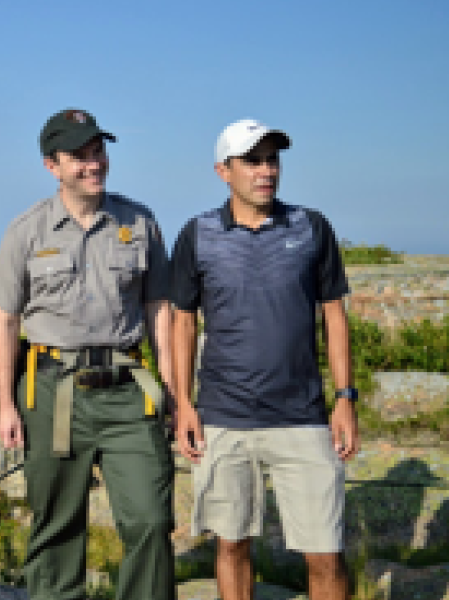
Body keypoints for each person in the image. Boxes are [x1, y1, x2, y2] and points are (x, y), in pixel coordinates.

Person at [0, 108, 177, 600]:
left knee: (151, 520)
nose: (94, 164)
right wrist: (4, 404)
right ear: (52, 165)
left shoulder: (139, 222)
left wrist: (175, 391)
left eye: (98, 151)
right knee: (56, 526)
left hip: (128, 390)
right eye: (79, 156)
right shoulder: (26, 231)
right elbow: (4, 320)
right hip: (53, 390)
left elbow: (159, 309)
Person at [170, 119, 359, 600]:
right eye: (252, 161)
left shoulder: (311, 227)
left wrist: (345, 399)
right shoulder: (197, 234)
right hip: (223, 417)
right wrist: (183, 405)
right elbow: (183, 322)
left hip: (303, 416)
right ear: (223, 171)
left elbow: (334, 315)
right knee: (231, 545)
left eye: (272, 160)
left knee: (326, 553)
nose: (266, 171)